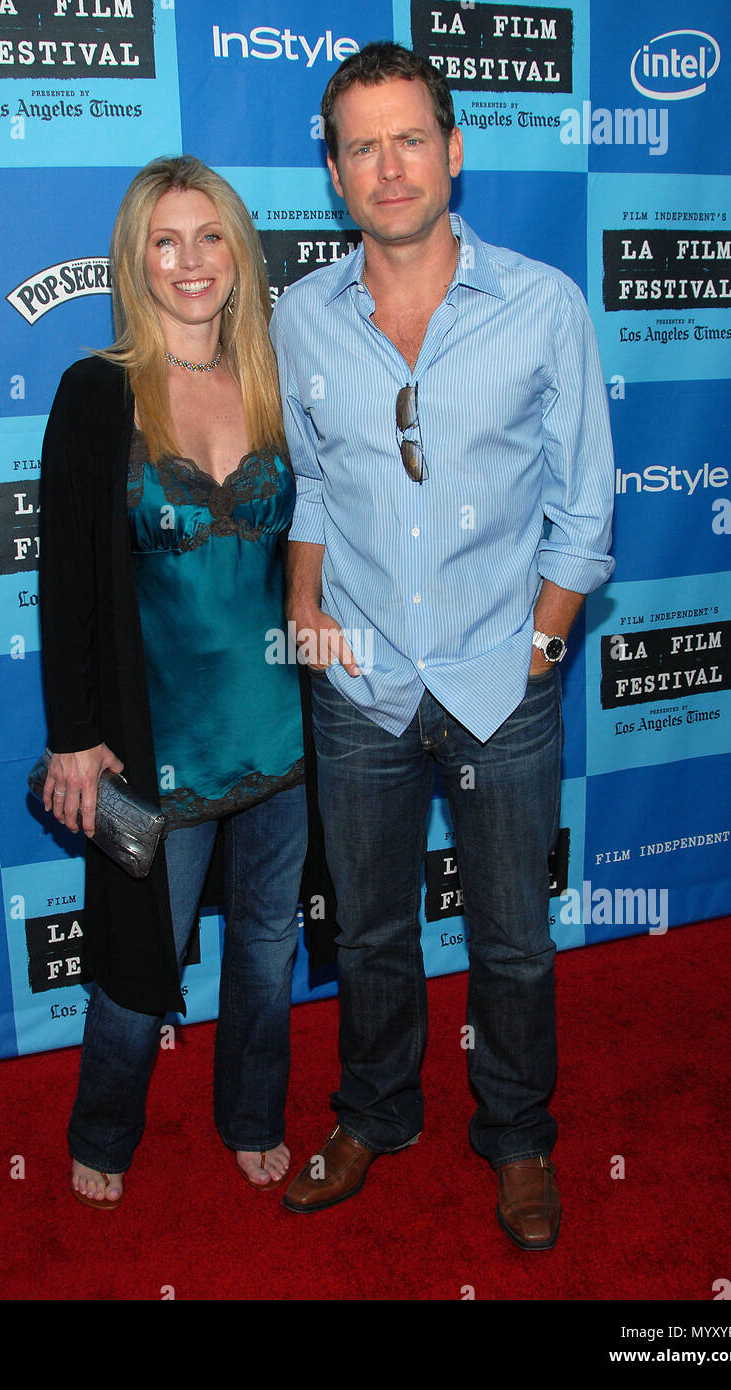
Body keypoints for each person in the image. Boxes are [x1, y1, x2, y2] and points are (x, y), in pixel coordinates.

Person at [270, 43, 615, 1249]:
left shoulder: (543, 304)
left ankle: (516, 1134)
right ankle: (373, 1111)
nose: (388, 165)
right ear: (333, 172)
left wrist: (542, 639)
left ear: (452, 150)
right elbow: (311, 485)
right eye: (360, 145)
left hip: (499, 680)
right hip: (357, 684)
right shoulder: (298, 317)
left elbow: (585, 506)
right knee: (366, 929)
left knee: (513, 937)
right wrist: (304, 609)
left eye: (408, 137)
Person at [38, 155, 307, 1207]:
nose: (190, 261)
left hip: (285, 730)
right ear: (135, 259)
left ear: (238, 256)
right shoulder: (96, 392)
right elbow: (64, 581)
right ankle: (104, 1125)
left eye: (209, 238)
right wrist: (74, 735)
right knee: (134, 960)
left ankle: (251, 1116)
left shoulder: (276, 381)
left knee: (266, 948)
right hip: (161, 743)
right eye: (165, 240)